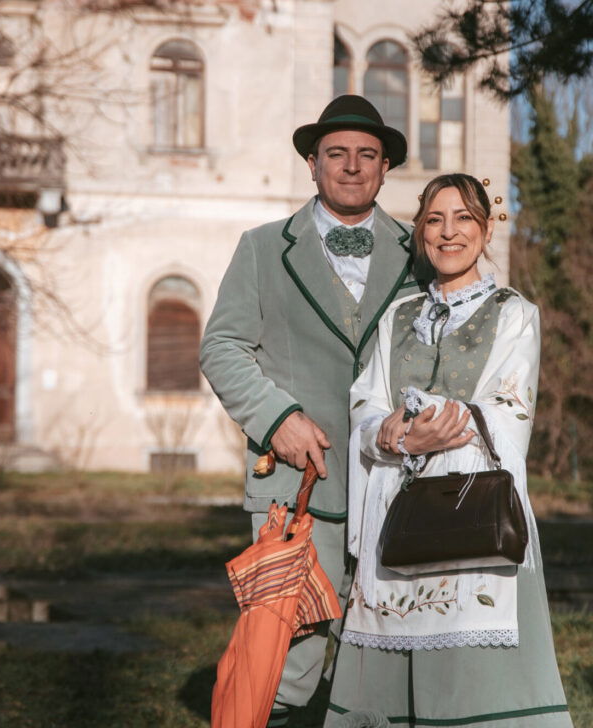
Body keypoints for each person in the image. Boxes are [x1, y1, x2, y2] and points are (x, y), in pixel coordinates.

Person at [200, 95, 432, 726]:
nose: (352, 167)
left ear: (385, 169)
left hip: (398, 488)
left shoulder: (423, 251)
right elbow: (221, 347)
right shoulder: (260, 248)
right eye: (337, 154)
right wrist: (279, 419)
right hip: (297, 488)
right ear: (312, 162)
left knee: (385, 656)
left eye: (367, 155)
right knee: (287, 661)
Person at [325, 174, 573, 727]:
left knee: (475, 686)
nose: (448, 232)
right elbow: (366, 400)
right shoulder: (397, 318)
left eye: (463, 218)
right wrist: (389, 434)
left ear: (486, 231)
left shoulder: (515, 314)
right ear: (420, 234)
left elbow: (507, 409)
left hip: (472, 514)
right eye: (434, 220)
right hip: (398, 507)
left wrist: (421, 422)